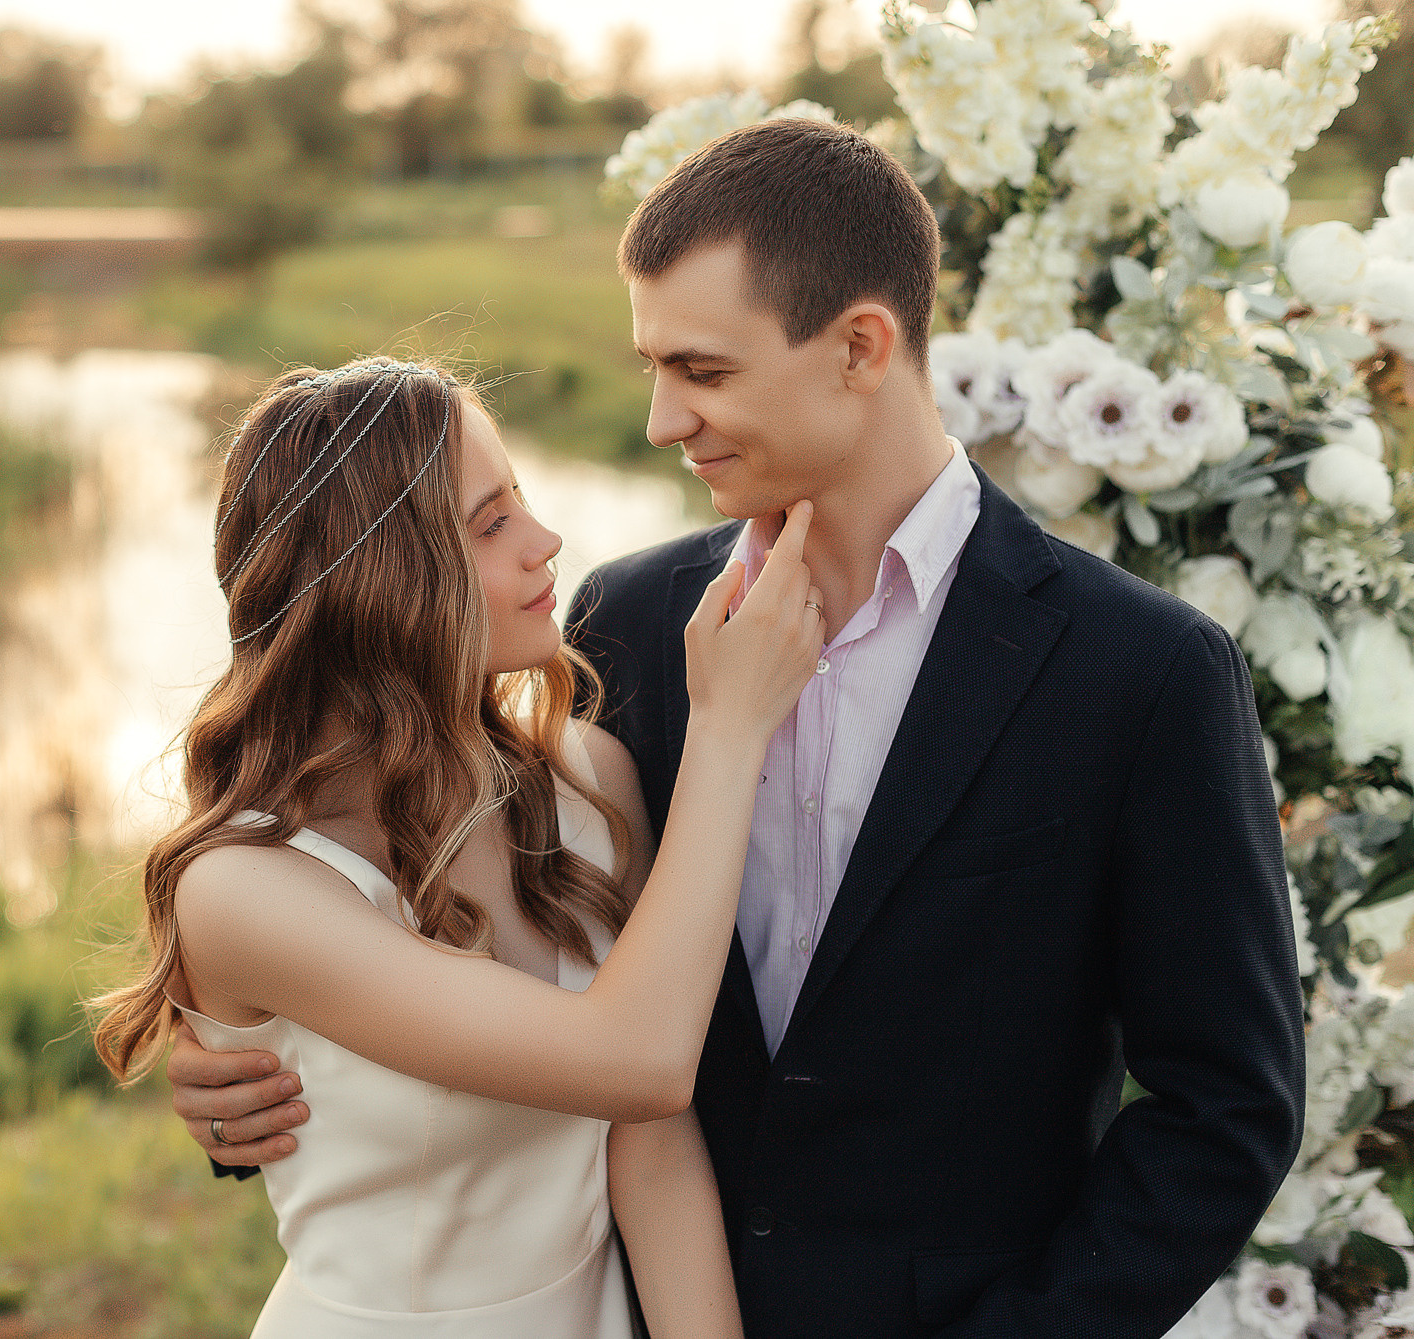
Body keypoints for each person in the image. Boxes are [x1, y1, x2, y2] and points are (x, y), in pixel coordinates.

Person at [164, 120, 1307, 1337]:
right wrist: (261, 1075)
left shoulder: (1140, 670)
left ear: (860, 346)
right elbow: (512, 1031)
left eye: (700, 371)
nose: (660, 419)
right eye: (651, 365)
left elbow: (1222, 1105)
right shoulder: (629, 621)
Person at [94, 355, 828, 1337]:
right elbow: (641, 1059)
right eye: (490, 524)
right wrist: (729, 728)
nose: (546, 542)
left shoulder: (588, 781)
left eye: (519, 500)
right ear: (375, 582)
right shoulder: (245, 889)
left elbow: (646, 1138)